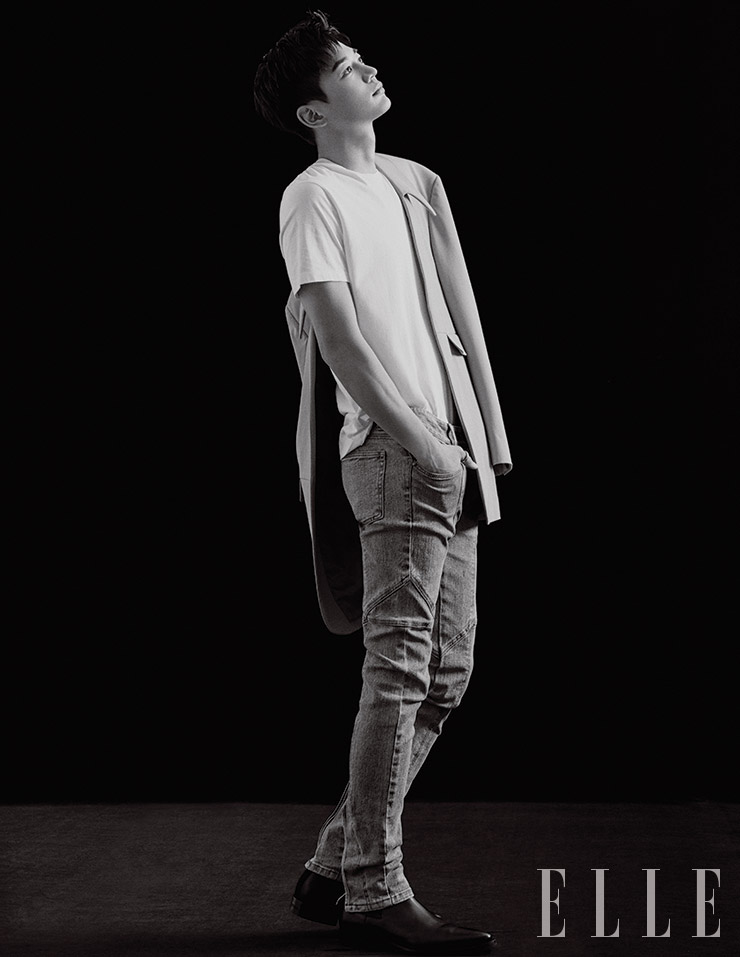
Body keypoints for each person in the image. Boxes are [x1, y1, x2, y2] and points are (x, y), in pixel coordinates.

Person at [254, 11, 511, 955]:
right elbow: (339, 340)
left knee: (446, 670)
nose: (369, 71)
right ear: (315, 111)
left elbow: (461, 312)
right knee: (399, 669)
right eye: (348, 68)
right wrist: (422, 443)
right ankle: (375, 885)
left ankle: (336, 864)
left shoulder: (413, 182)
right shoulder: (311, 196)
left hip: (452, 444)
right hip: (392, 451)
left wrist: (482, 435)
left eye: (363, 59)